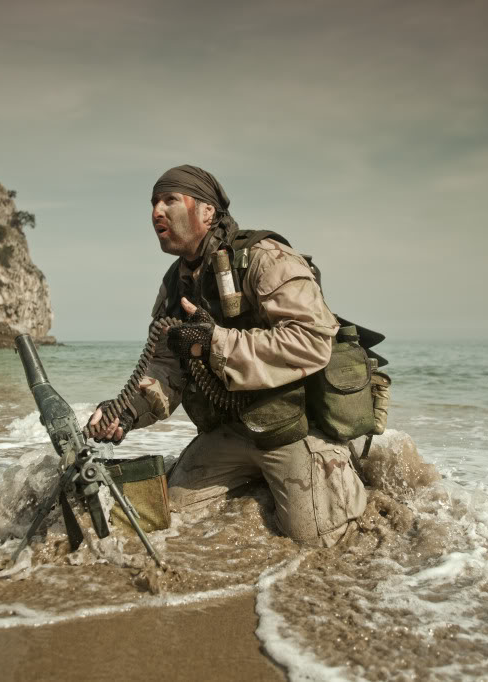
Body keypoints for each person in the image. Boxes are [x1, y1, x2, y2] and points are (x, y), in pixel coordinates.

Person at [88, 165, 366, 547]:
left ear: (206, 211)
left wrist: (214, 342)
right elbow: (166, 367)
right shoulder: (175, 283)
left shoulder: (265, 258)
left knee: (321, 543)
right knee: (163, 523)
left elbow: (312, 339)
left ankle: (340, 473)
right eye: (153, 202)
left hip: (291, 426)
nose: (156, 212)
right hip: (229, 431)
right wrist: (126, 412)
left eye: (170, 200)